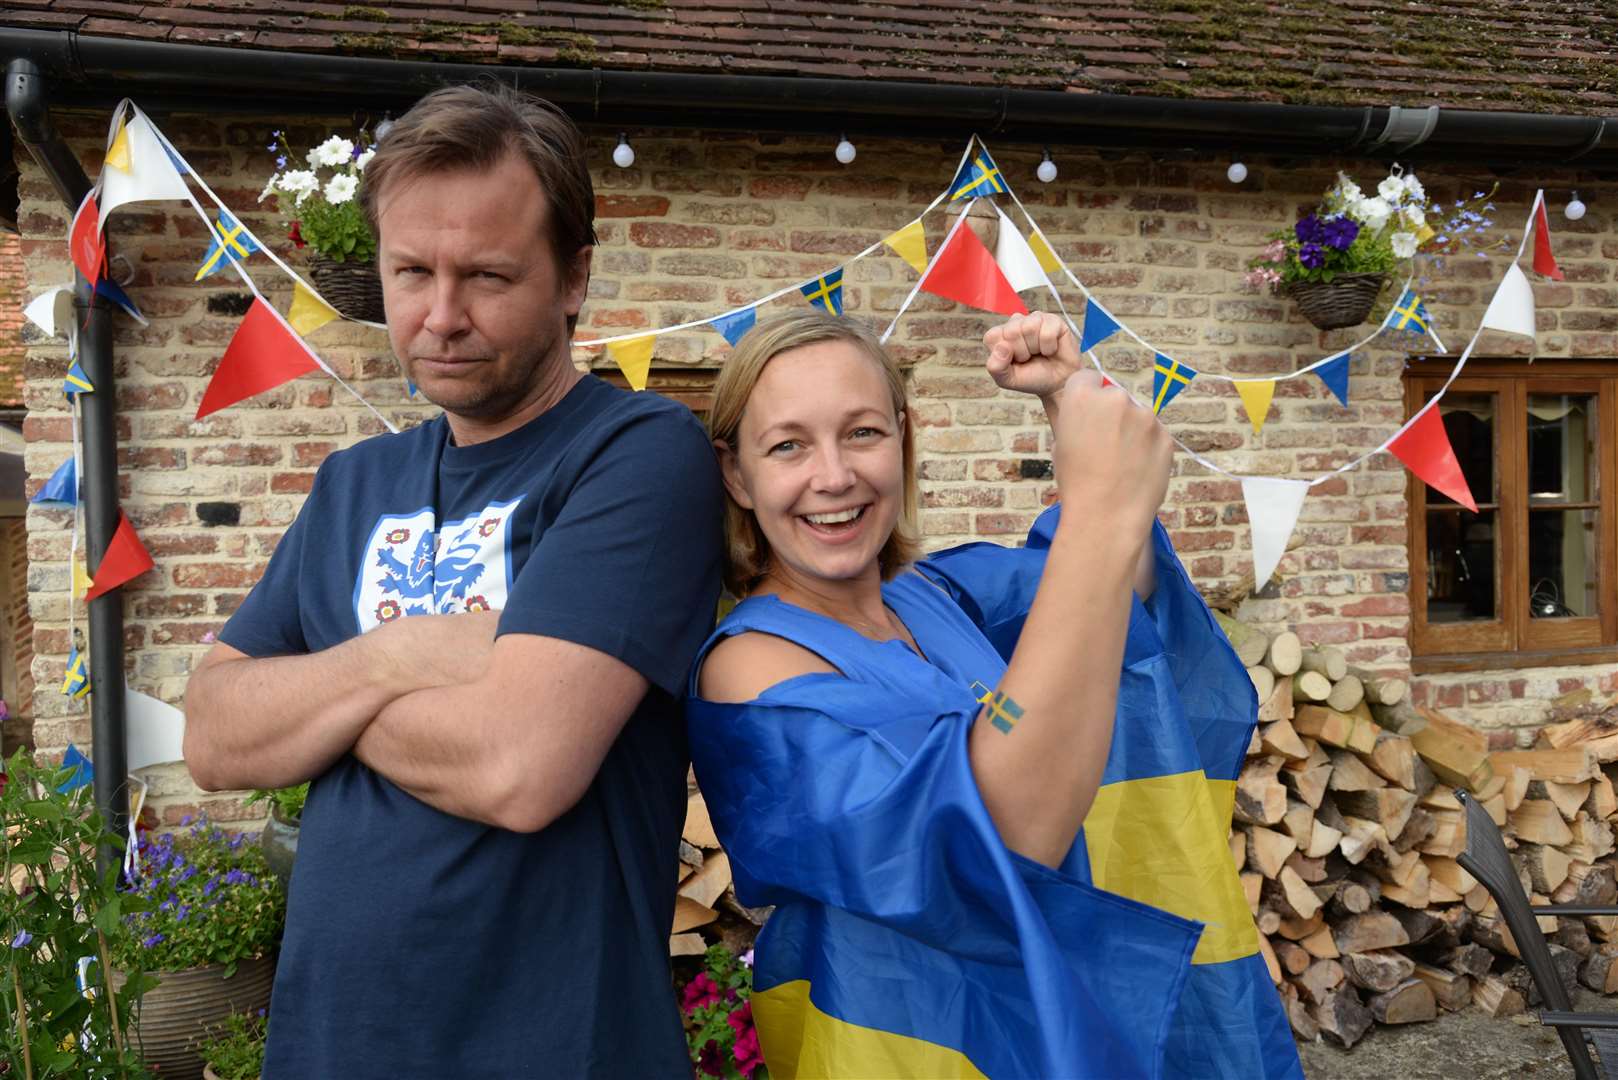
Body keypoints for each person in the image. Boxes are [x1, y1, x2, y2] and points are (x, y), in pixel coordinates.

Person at [182, 83, 723, 1077]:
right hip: (331, 1050)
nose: (441, 316)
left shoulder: (638, 454)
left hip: (552, 1048)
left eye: (485, 276)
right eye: (410, 272)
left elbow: (515, 765)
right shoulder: (355, 482)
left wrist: (316, 706)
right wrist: (398, 657)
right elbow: (214, 734)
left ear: (573, 279)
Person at [689, 310, 1302, 1078]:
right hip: (910, 1050)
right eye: (788, 446)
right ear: (737, 475)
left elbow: (1126, 596)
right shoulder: (750, 672)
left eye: (863, 433)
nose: (834, 475)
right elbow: (997, 836)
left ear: (904, 441)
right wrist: (1101, 511)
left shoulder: (938, 595)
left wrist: (1070, 398)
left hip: (1052, 1016)